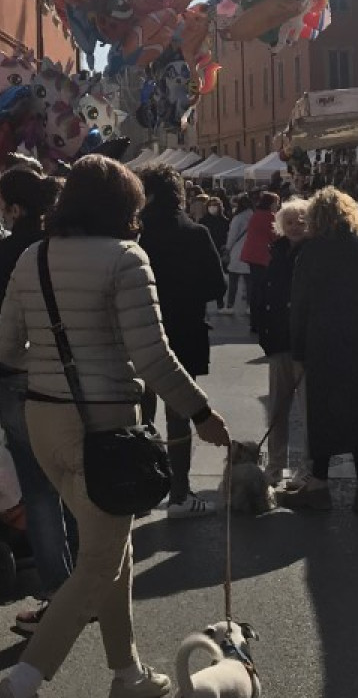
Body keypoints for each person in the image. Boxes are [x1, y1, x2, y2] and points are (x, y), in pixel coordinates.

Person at [0, 156, 231, 698]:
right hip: (104, 427)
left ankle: (129, 673)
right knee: (98, 559)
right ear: (126, 207)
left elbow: (3, 347)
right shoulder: (126, 258)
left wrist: (52, 365)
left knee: (110, 548)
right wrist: (201, 413)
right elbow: (152, 356)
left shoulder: (33, 258)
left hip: (42, 419)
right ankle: (20, 683)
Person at [0, 166, 71, 637]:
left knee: (39, 489)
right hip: (70, 381)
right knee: (74, 481)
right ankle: (87, 585)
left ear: (12, 208)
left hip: (17, 377)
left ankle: (58, 589)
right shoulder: (66, 254)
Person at [278, 188, 358, 515]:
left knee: (325, 412)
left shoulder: (312, 253)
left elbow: (300, 306)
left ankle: (319, 485)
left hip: (325, 342)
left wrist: (298, 352)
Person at [136, 165, 229, 518]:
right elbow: (217, 287)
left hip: (141, 331)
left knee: (141, 415)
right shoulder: (196, 233)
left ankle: (141, 492)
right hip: (185, 332)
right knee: (179, 416)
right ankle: (179, 494)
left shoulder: (136, 235)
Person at [258, 198, 312, 483]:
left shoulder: (314, 254)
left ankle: (306, 468)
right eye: (289, 222)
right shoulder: (277, 252)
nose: (295, 227)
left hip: (304, 344)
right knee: (278, 410)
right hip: (278, 340)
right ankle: (275, 466)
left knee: (308, 412)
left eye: (301, 221)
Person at [238, 192, 281, 333]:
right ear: (270, 204)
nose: (277, 205)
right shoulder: (270, 217)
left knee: (255, 289)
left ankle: (254, 320)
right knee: (263, 290)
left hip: (252, 255)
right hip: (263, 256)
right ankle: (261, 320)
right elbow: (275, 236)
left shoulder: (255, 215)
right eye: (276, 203)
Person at [221, 193, 254, 316]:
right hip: (250, 251)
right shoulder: (254, 216)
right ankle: (249, 306)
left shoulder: (238, 218)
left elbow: (232, 235)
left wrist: (228, 249)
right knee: (249, 282)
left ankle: (230, 306)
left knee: (233, 281)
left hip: (237, 251)